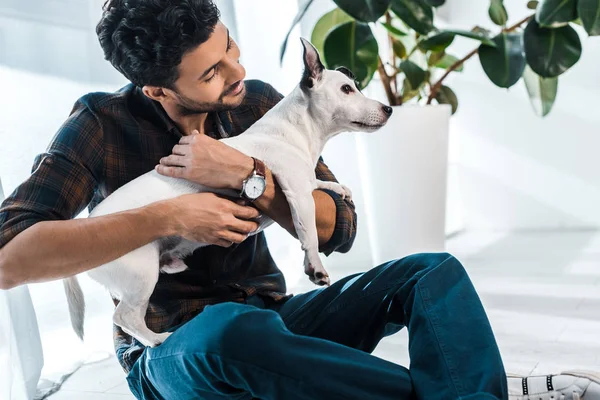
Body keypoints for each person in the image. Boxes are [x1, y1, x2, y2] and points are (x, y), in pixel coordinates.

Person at [0, 1, 598, 399]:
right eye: (212, 72)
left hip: (278, 320)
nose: (238, 70)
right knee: (229, 334)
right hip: (177, 352)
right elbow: (9, 257)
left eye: (231, 47)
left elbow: (340, 229)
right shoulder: (99, 125)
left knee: (432, 272)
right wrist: (167, 215)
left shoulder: (259, 101)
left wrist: (249, 177)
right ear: (156, 87)